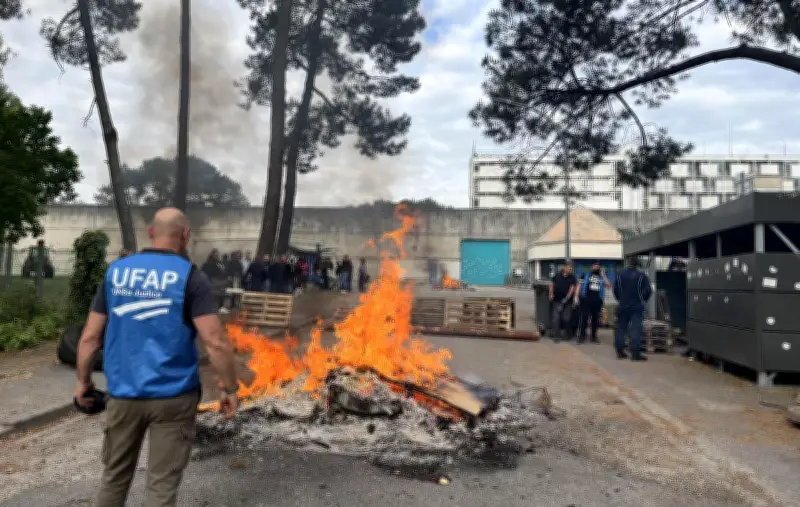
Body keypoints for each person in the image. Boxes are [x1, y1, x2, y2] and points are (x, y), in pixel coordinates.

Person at [73, 207, 239, 507]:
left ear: (150, 232)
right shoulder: (191, 277)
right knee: (161, 487)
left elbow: (89, 337)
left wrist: (83, 382)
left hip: (123, 394)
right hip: (174, 398)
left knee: (113, 478)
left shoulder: (117, 271)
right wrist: (229, 388)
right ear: (185, 236)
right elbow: (216, 342)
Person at [613, 257, 653, 361]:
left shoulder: (620, 275)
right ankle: (635, 354)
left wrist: (620, 300)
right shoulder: (642, 276)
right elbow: (648, 290)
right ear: (637, 265)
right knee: (635, 329)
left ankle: (620, 352)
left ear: (628, 264)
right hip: (636, 306)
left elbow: (615, 290)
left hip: (622, 306)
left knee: (621, 329)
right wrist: (642, 300)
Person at [574, 261, 611, 344]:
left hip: (597, 301)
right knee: (584, 319)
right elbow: (578, 285)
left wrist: (604, 275)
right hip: (585, 300)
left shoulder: (602, 276)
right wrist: (576, 296)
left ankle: (593, 337)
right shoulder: (585, 274)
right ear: (592, 266)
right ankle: (581, 337)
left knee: (595, 320)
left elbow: (609, 286)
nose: (596, 267)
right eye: (595, 266)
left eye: (598, 266)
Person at [548, 263, 577, 343]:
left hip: (567, 302)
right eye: (569, 268)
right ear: (564, 268)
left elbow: (572, 288)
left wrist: (566, 298)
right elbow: (551, 284)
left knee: (566, 318)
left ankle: (568, 334)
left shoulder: (572, 278)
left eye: (571, 269)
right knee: (555, 318)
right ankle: (556, 336)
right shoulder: (557, 276)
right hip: (557, 300)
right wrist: (551, 294)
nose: (570, 270)